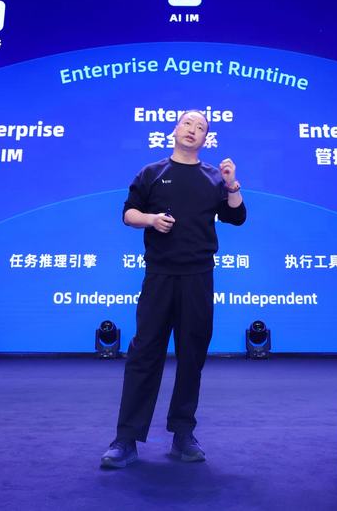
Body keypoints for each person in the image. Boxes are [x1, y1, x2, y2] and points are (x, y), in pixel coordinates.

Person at [100, 109, 246, 468]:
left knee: (192, 356)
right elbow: (128, 214)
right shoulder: (151, 172)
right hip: (160, 275)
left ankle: (183, 434)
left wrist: (232, 185)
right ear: (175, 130)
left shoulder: (214, 177)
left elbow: (237, 216)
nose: (193, 130)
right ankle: (126, 438)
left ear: (206, 138)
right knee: (144, 353)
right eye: (187, 124)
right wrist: (151, 219)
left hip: (198, 276)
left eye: (201, 127)